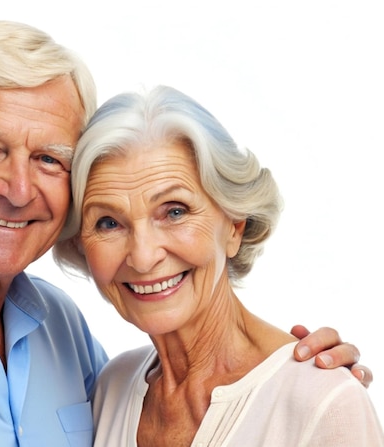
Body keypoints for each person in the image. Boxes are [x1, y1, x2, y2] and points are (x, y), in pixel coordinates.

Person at [0, 21, 371, 447]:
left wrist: (313, 390)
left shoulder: (66, 337)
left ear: (234, 225)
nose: (18, 189)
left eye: (50, 158)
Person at [53, 85, 384, 446]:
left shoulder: (323, 402)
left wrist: (322, 390)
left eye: (174, 212)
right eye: (108, 222)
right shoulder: (111, 388)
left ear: (234, 227)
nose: (143, 257)